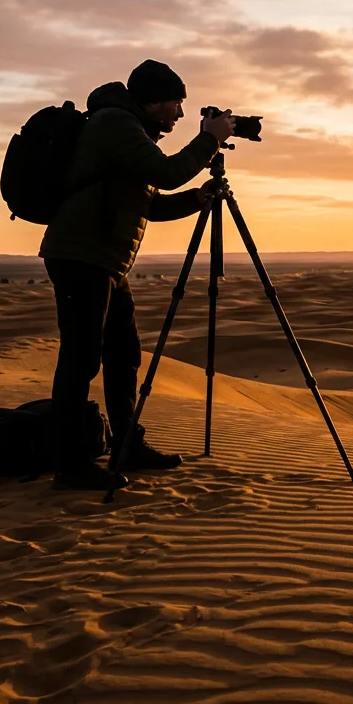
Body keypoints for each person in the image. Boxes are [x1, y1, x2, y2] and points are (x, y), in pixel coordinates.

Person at [39, 59, 235, 490]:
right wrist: (208, 141)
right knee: (81, 360)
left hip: (105, 260)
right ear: (152, 100)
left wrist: (196, 198)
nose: (179, 115)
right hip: (82, 257)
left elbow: (147, 204)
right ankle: (70, 466)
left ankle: (128, 444)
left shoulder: (132, 132)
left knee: (124, 353)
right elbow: (165, 174)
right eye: (175, 104)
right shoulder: (115, 124)